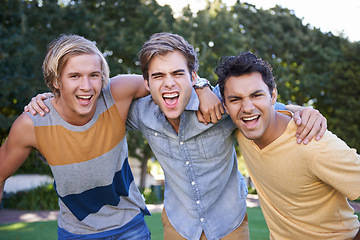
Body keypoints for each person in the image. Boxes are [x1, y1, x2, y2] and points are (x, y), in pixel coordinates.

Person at [25, 33, 326, 240]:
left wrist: (305, 111)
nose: (168, 85)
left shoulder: (222, 103)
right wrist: (50, 98)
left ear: (193, 77)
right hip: (178, 226)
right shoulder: (138, 112)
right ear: (146, 82)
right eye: (158, 76)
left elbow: (262, 107)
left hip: (230, 224)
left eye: (178, 74)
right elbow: (85, 106)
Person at [0, 34, 152, 239]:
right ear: (56, 80)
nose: (86, 86)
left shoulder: (117, 93)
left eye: (94, 75)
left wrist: (202, 87)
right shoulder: (33, 123)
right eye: (74, 76)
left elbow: (167, 81)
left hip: (130, 227)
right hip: (76, 233)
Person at [215, 51, 360, 239]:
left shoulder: (314, 144)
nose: (247, 108)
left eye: (256, 95)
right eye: (235, 99)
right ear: (225, 105)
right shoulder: (241, 128)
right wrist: (202, 89)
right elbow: (184, 85)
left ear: (273, 95)